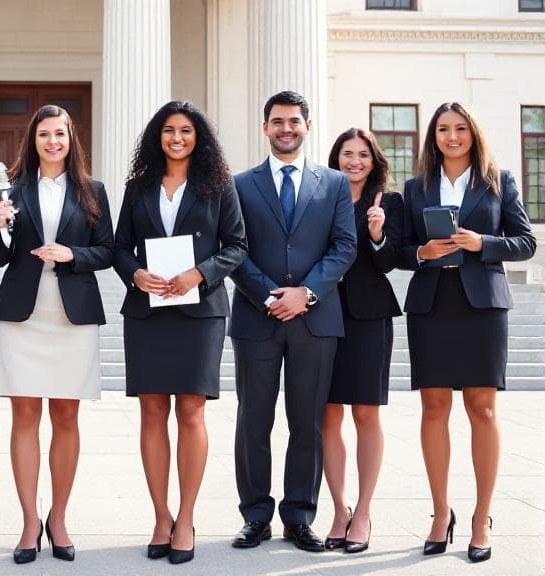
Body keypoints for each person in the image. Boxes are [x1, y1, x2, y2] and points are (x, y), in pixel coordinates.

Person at [398, 102, 535, 563]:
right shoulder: (415, 187)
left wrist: (483, 243)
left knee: (483, 410)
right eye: (443, 129)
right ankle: (441, 513)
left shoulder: (499, 180)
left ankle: (481, 517)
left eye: (460, 129)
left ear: (473, 133)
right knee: (433, 408)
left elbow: (526, 242)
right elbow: (399, 250)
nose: (452, 137)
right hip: (432, 305)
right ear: (433, 136)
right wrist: (422, 249)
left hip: (482, 306)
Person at [113, 101, 247, 564]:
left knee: (191, 412)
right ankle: (160, 516)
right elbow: (119, 248)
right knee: (152, 411)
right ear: (158, 136)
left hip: (200, 311)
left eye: (186, 131)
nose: (177, 138)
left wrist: (201, 273)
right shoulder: (138, 187)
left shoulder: (218, 186)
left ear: (199, 137)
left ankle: (187, 517)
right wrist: (134, 274)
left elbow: (237, 245)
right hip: (148, 311)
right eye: (169, 130)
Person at [228, 90, 356, 553]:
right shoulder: (240, 184)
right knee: (253, 421)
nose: (286, 129)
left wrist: (306, 293)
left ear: (307, 127)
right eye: (278, 122)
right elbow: (234, 248)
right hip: (256, 317)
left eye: (294, 122)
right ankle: (255, 516)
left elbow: (344, 246)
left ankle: (300, 516)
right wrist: (269, 295)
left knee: (308, 423)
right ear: (265, 128)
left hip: (315, 319)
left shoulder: (335, 184)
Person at [0, 104, 114, 564]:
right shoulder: (13, 190)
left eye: (59, 134)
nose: (52, 142)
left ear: (70, 138)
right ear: (33, 139)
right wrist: (2, 228)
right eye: (44, 135)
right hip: (23, 316)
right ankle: (27, 523)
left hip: (71, 315)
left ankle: (58, 519)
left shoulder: (92, 190)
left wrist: (70, 254)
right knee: (24, 418)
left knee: (65, 418)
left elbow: (107, 252)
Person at [321, 128, 403, 554]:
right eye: (347, 154)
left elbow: (393, 261)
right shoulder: (320, 196)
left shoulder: (388, 202)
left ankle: (364, 511)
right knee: (327, 416)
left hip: (370, 317)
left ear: (374, 161)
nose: (354, 161)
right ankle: (338, 508)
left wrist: (377, 233)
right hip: (323, 315)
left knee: (366, 414)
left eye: (363, 155)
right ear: (336, 158)